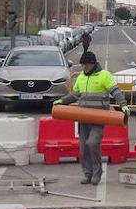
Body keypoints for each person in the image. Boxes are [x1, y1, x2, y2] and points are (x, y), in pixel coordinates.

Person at [54, 51, 127, 185]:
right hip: (83, 118)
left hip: (99, 118)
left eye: (86, 64)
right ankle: (88, 174)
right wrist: (62, 101)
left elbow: (116, 91)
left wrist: (123, 105)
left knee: (92, 143)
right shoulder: (81, 77)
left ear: (93, 64)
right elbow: (75, 95)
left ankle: (97, 173)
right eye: (83, 65)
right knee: (83, 147)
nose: (84, 67)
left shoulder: (104, 75)